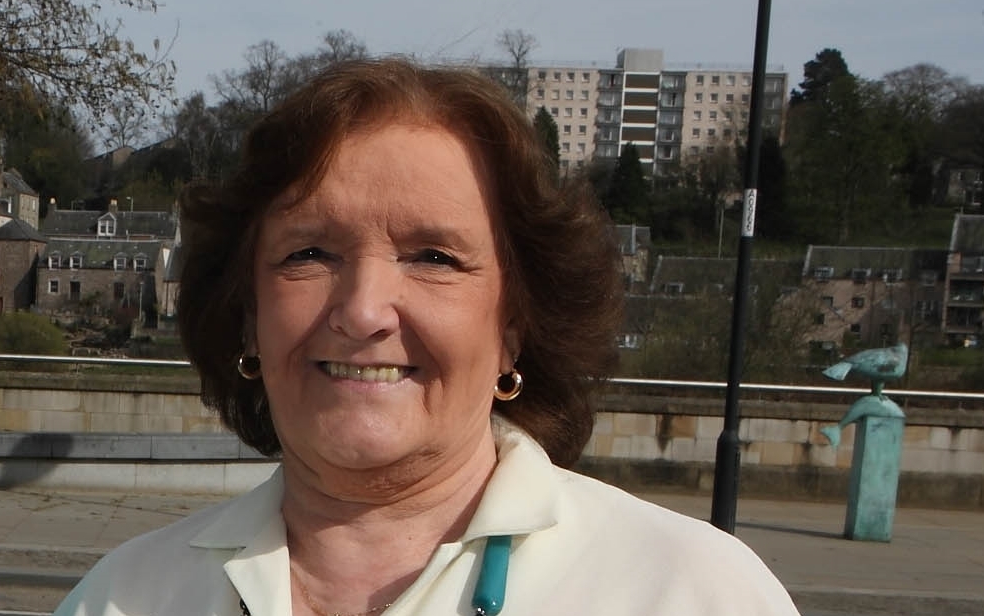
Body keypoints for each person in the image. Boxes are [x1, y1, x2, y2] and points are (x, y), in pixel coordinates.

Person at [54, 58, 799, 616]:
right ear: (248, 314)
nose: (364, 309)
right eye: (308, 254)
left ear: (514, 328)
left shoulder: (686, 591)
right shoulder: (126, 596)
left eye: (433, 257)